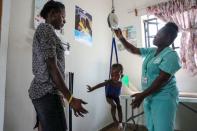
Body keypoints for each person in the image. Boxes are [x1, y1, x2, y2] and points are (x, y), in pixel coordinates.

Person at [28, 1, 88, 131]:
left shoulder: (46, 31)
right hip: (47, 93)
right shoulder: (46, 29)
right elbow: (52, 67)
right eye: (63, 16)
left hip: (43, 92)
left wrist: (61, 94)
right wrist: (70, 98)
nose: (65, 21)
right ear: (53, 13)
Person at [114, 22, 181, 131]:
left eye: (159, 34)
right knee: (151, 127)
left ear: (168, 39)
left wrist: (142, 95)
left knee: (163, 128)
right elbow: (134, 50)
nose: (155, 35)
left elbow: (161, 80)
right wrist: (121, 38)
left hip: (163, 98)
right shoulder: (152, 51)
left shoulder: (171, 55)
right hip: (149, 96)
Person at [87, 63, 123, 129]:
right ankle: (114, 118)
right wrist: (92, 88)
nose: (114, 77)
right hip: (109, 96)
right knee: (114, 105)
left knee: (119, 106)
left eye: (117, 75)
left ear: (121, 74)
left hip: (116, 96)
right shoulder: (109, 81)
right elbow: (100, 85)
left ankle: (120, 122)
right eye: (112, 75)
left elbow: (128, 84)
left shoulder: (122, 80)